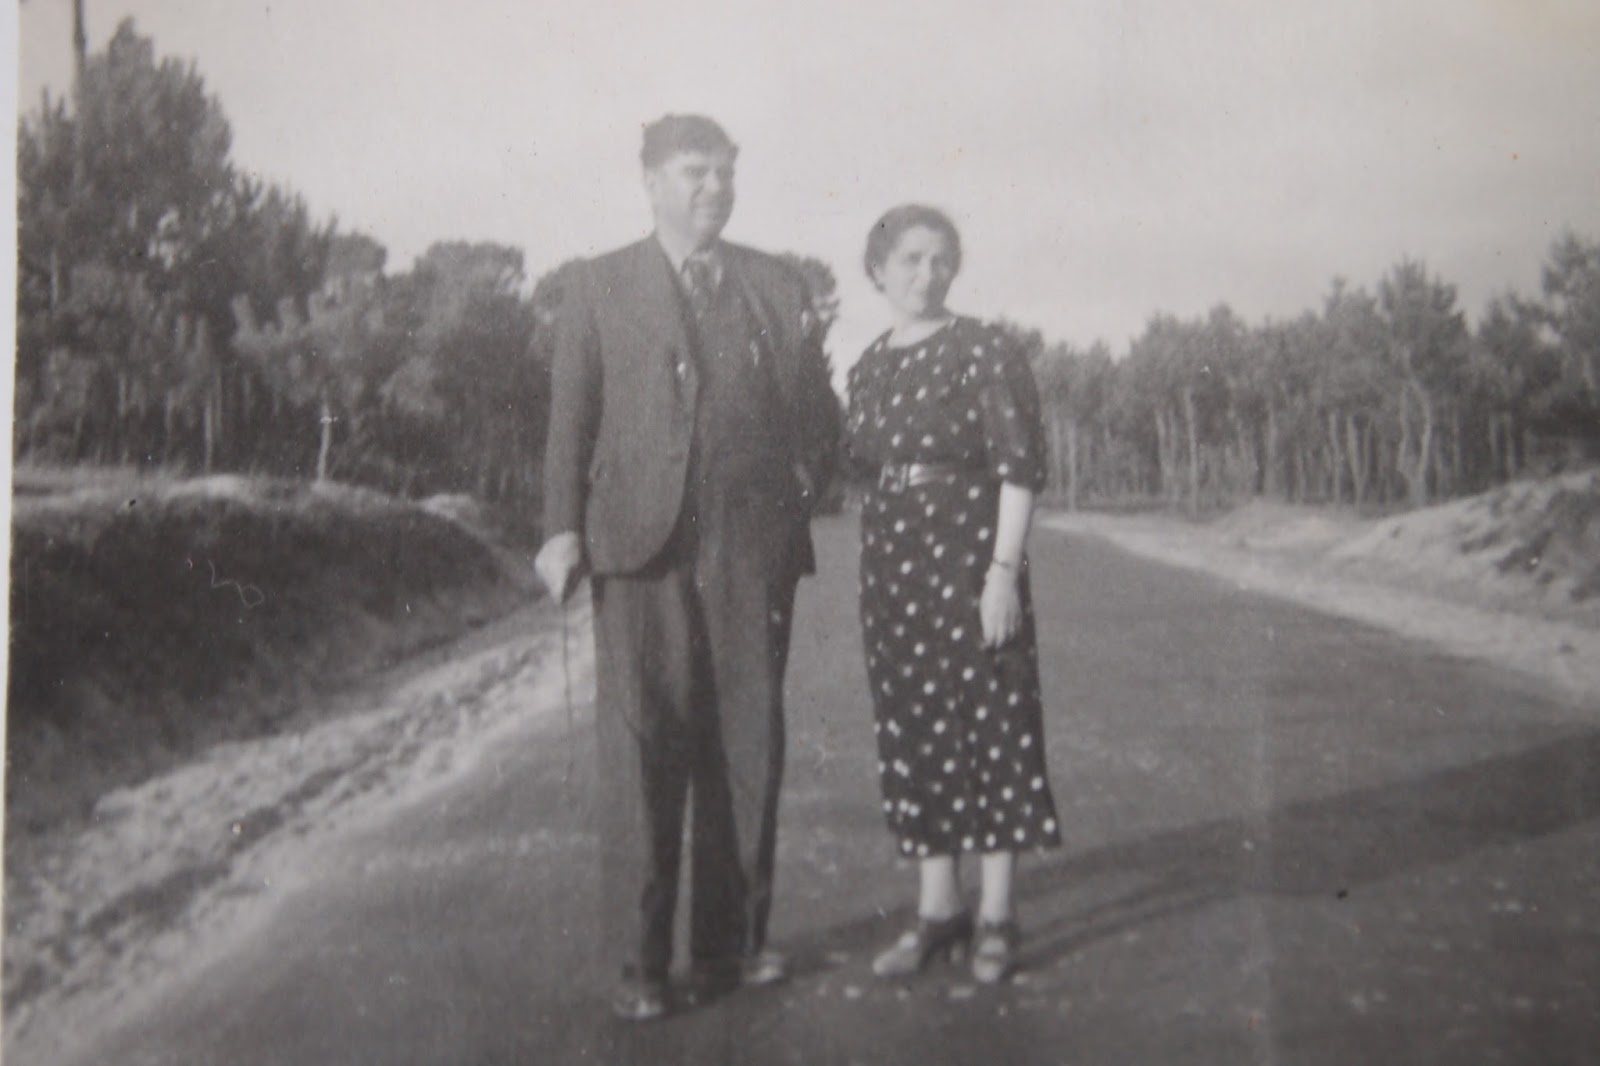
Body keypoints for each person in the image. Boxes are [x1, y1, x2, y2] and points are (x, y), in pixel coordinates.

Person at [534, 114, 840, 1021]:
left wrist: (796, 489)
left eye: (725, 173)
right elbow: (569, 419)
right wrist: (560, 530)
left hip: (749, 550)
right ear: (651, 182)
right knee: (643, 752)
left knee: (747, 744)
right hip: (639, 548)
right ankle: (638, 964)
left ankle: (726, 947)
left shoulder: (774, 283)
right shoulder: (598, 283)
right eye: (695, 172)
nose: (715, 188)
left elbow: (817, 415)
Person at [844, 204, 1062, 985]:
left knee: (992, 719)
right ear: (878, 270)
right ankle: (939, 910)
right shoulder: (868, 365)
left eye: (940, 259)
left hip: (971, 556)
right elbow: (858, 465)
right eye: (910, 258)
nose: (926, 273)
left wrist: (1002, 571)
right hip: (894, 564)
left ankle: (997, 914)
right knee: (914, 724)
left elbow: (1019, 468)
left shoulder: (983, 350)